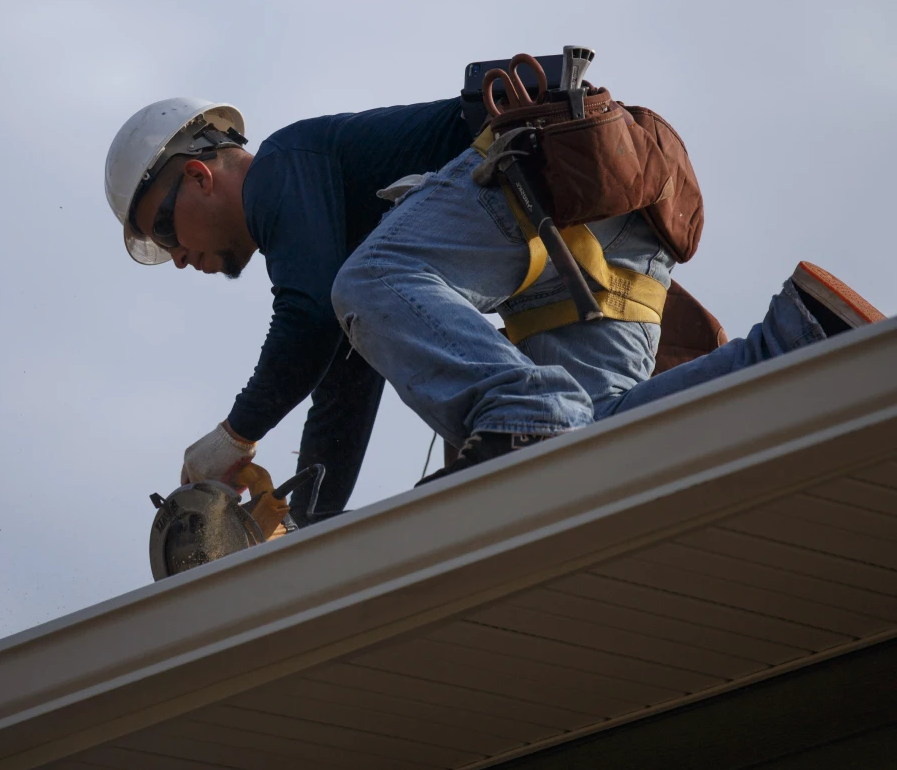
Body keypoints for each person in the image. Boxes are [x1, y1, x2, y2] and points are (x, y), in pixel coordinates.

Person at [104, 96, 884, 518]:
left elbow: (313, 313)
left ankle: (525, 409)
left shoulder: (282, 167)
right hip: (607, 227)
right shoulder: (352, 256)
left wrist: (235, 434)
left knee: (378, 302)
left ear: (201, 177)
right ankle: (798, 341)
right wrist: (301, 528)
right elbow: (346, 374)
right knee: (591, 443)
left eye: (165, 229)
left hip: (541, 174)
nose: (177, 256)